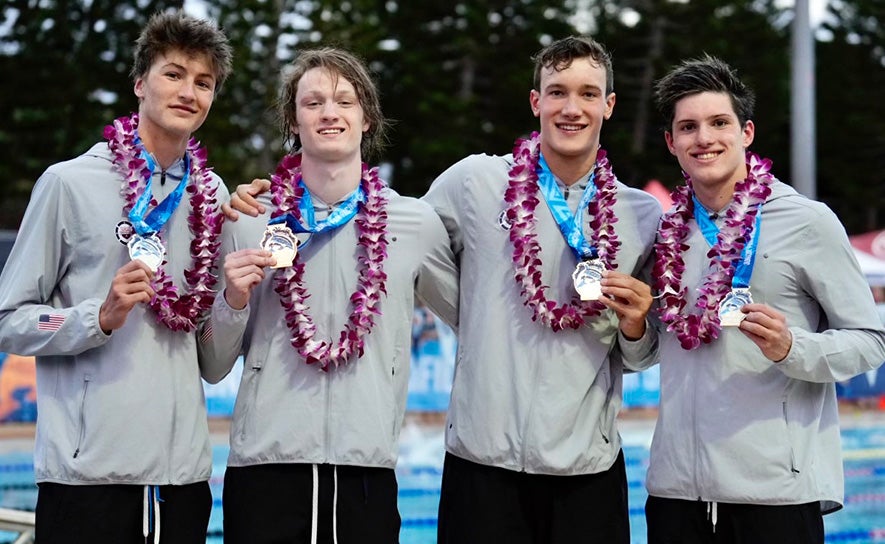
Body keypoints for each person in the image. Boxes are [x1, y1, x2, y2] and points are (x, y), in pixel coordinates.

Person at [225, 35, 661, 544]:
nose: (571, 107)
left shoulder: (641, 215)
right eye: (557, 91)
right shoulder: (474, 181)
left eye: (588, 93)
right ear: (535, 100)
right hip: (481, 465)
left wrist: (636, 325)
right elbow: (396, 239)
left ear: (609, 105)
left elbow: (642, 351)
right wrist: (268, 193)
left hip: (588, 467)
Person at [198, 47, 457, 544]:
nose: (329, 113)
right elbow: (211, 363)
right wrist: (231, 300)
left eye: (344, 101)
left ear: (366, 118)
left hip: (365, 471)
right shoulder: (247, 219)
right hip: (265, 469)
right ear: (293, 121)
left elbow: (475, 318)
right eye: (313, 102)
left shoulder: (414, 224)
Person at [0, 10, 232, 543]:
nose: (189, 92)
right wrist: (97, 317)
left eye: (204, 83)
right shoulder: (68, 184)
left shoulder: (211, 195)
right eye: (174, 74)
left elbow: (212, 360)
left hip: (182, 482)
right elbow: (9, 320)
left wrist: (235, 302)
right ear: (139, 83)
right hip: (87, 479)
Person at [635, 55, 885, 544]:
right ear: (671, 142)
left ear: (746, 132)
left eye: (719, 122)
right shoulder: (666, 233)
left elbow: (871, 340)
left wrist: (792, 347)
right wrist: (634, 326)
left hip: (775, 493)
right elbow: (647, 352)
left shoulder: (807, 222)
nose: (704, 138)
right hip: (676, 491)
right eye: (688, 127)